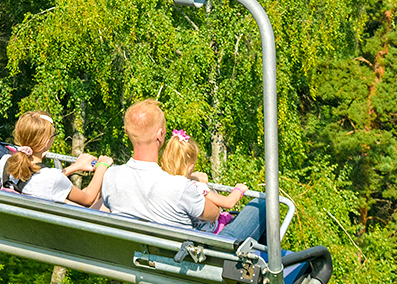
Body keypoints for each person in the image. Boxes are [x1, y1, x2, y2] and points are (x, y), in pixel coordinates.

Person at [101, 98, 270, 247]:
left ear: (126, 131)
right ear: (160, 135)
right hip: (193, 261)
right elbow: (214, 214)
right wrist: (200, 185)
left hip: (141, 257)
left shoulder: (110, 177)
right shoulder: (180, 187)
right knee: (262, 205)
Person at [1, 111, 111, 207]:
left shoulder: (6, 163)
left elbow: (41, 180)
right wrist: (102, 166)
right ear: (45, 142)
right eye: (54, 135)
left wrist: (76, 166)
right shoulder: (52, 178)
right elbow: (88, 199)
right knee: (105, 197)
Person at [159, 129, 248, 233]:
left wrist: (192, 176)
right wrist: (239, 190)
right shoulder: (197, 187)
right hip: (214, 231)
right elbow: (228, 202)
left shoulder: (162, 181)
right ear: (190, 166)